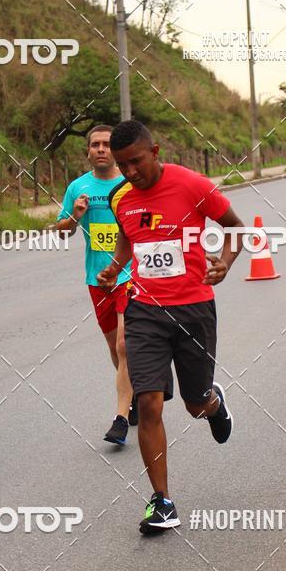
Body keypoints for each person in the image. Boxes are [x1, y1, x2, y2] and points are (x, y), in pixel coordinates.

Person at [97, 120, 245, 535]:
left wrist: (225, 263)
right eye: (123, 165)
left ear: (155, 151)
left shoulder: (193, 184)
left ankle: (213, 403)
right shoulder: (121, 197)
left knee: (194, 404)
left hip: (194, 309)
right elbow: (129, 238)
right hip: (145, 311)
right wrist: (115, 267)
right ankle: (162, 502)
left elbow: (236, 227)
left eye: (136, 162)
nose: (130, 172)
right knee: (148, 403)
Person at [57, 124, 137, 444]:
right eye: (95, 145)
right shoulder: (78, 187)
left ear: (114, 150)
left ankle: (120, 418)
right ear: (88, 151)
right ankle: (133, 396)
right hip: (98, 279)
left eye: (106, 144)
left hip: (129, 275)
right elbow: (63, 231)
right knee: (113, 347)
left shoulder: (129, 185)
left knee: (124, 345)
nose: (101, 149)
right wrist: (76, 215)